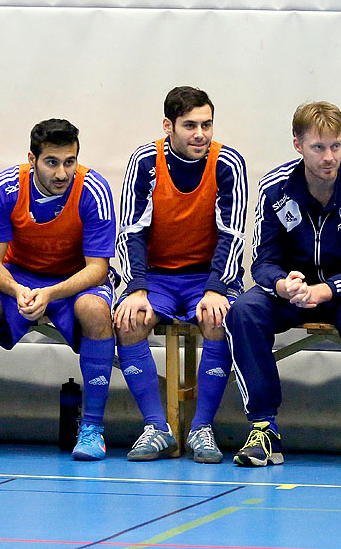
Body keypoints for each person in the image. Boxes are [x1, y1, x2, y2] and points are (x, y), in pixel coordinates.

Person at [228, 101, 341, 471]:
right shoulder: (275, 187)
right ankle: (263, 429)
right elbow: (262, 261)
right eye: (318, 147)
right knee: (244, 310)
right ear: (298, 145)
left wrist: (328, 289)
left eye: (336, 146)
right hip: (294, 291)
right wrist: (283, 284)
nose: (329, 157)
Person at [0, 119, 116, 461]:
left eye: (69, 162)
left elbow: (97, 269)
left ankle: (92, 429)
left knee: (95, 310)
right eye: (52, 162)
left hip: (74, 279)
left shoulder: (94, 191)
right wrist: (17, 290)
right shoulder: (5, 188)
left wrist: (51, 294)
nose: (62, 173)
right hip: (19, 278)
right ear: (32, 159)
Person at [115, 86, 247, 463]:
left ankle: (201, 428)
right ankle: (156, 428)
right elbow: (131, 230)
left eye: (206, 124)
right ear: (168, 125)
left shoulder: (227, 163)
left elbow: (232, 232)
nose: (200, 134)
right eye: (190, 125)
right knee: (129, 321)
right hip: (157, 278)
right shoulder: (145, 161)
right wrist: (137, 287)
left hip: (207, 277)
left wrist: (217, 288)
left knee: (218, 318)